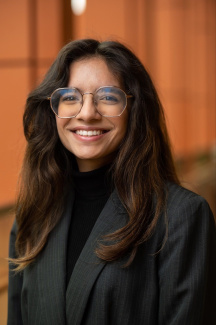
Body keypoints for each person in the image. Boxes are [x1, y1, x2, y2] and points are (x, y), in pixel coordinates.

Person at [7, 39, 216, 325]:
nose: (87, 113)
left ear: (135, 109)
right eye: (70, 97)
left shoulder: (181, 217)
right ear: (52, 110)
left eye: (108, 97)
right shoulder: (33, 215)